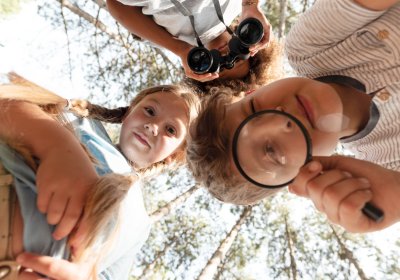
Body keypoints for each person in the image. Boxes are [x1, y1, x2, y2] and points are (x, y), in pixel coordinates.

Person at [186, 0, 400, 233]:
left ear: (253, 91)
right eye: (272, 151)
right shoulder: (390, 164)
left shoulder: (309, 48)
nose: (283, 121)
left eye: (254, 109)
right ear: (303, 174)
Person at [0, 73, 199, 279]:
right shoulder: (82, 122)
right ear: (129, 112)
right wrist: (57, 146)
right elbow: (8, 99)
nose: (153, 126)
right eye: (149, 111)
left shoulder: (141, 225)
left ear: (174, 155)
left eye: (170, 130)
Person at [106, 0, 283, 94]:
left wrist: (180, 49)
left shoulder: (172, 39)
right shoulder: (239, 6)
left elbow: (115, 5)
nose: (226, 55)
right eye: (238, 58)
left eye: (220, 67)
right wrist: (251, 5)